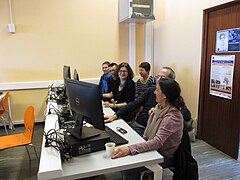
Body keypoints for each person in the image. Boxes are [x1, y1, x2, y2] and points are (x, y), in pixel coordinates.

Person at [111, 78, 184, 180]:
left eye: (157, 90)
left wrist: (130, 149)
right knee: (127, 156)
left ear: (164, 95)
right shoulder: (159, 107)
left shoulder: (172, 117)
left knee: (128, 168)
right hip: (156, 149)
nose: (154, 92)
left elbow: (156, 143)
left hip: (164, 155)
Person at [105, 67, 185, 136]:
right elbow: (134, 104)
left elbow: (185, 114)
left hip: (152, 129)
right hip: (139, 124)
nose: (159, 80)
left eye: (163, 78)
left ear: (171, 81)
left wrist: (161, 112)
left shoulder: (173, 96)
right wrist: (116, 115)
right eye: (157, 77)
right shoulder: (151, 91)